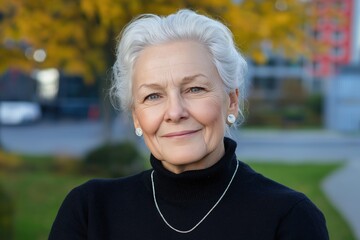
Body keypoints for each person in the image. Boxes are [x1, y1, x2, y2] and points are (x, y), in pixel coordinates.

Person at [49, 9, 329, 239]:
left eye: (194, 89)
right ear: (136, 116)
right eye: (153, 95)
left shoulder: (290, 218)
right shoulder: (89, 212)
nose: (175, 111)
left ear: (231, 101)